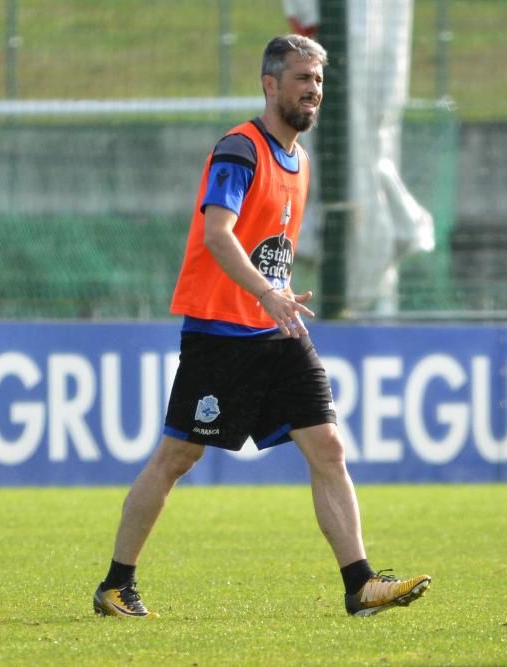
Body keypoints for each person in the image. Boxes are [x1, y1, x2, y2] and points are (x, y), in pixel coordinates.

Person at [92, 34, 431, 619]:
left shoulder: (299, 160)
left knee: (327, 446)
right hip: (222, 333)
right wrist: (267, 293)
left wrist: (274, 302)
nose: (314, 91)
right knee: (178, 459)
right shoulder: (240, 150)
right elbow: (217, 234)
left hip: (276, 331)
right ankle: (116, 585)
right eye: (302, 79)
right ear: (271, 85)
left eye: (319, 81)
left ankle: (361, 585)